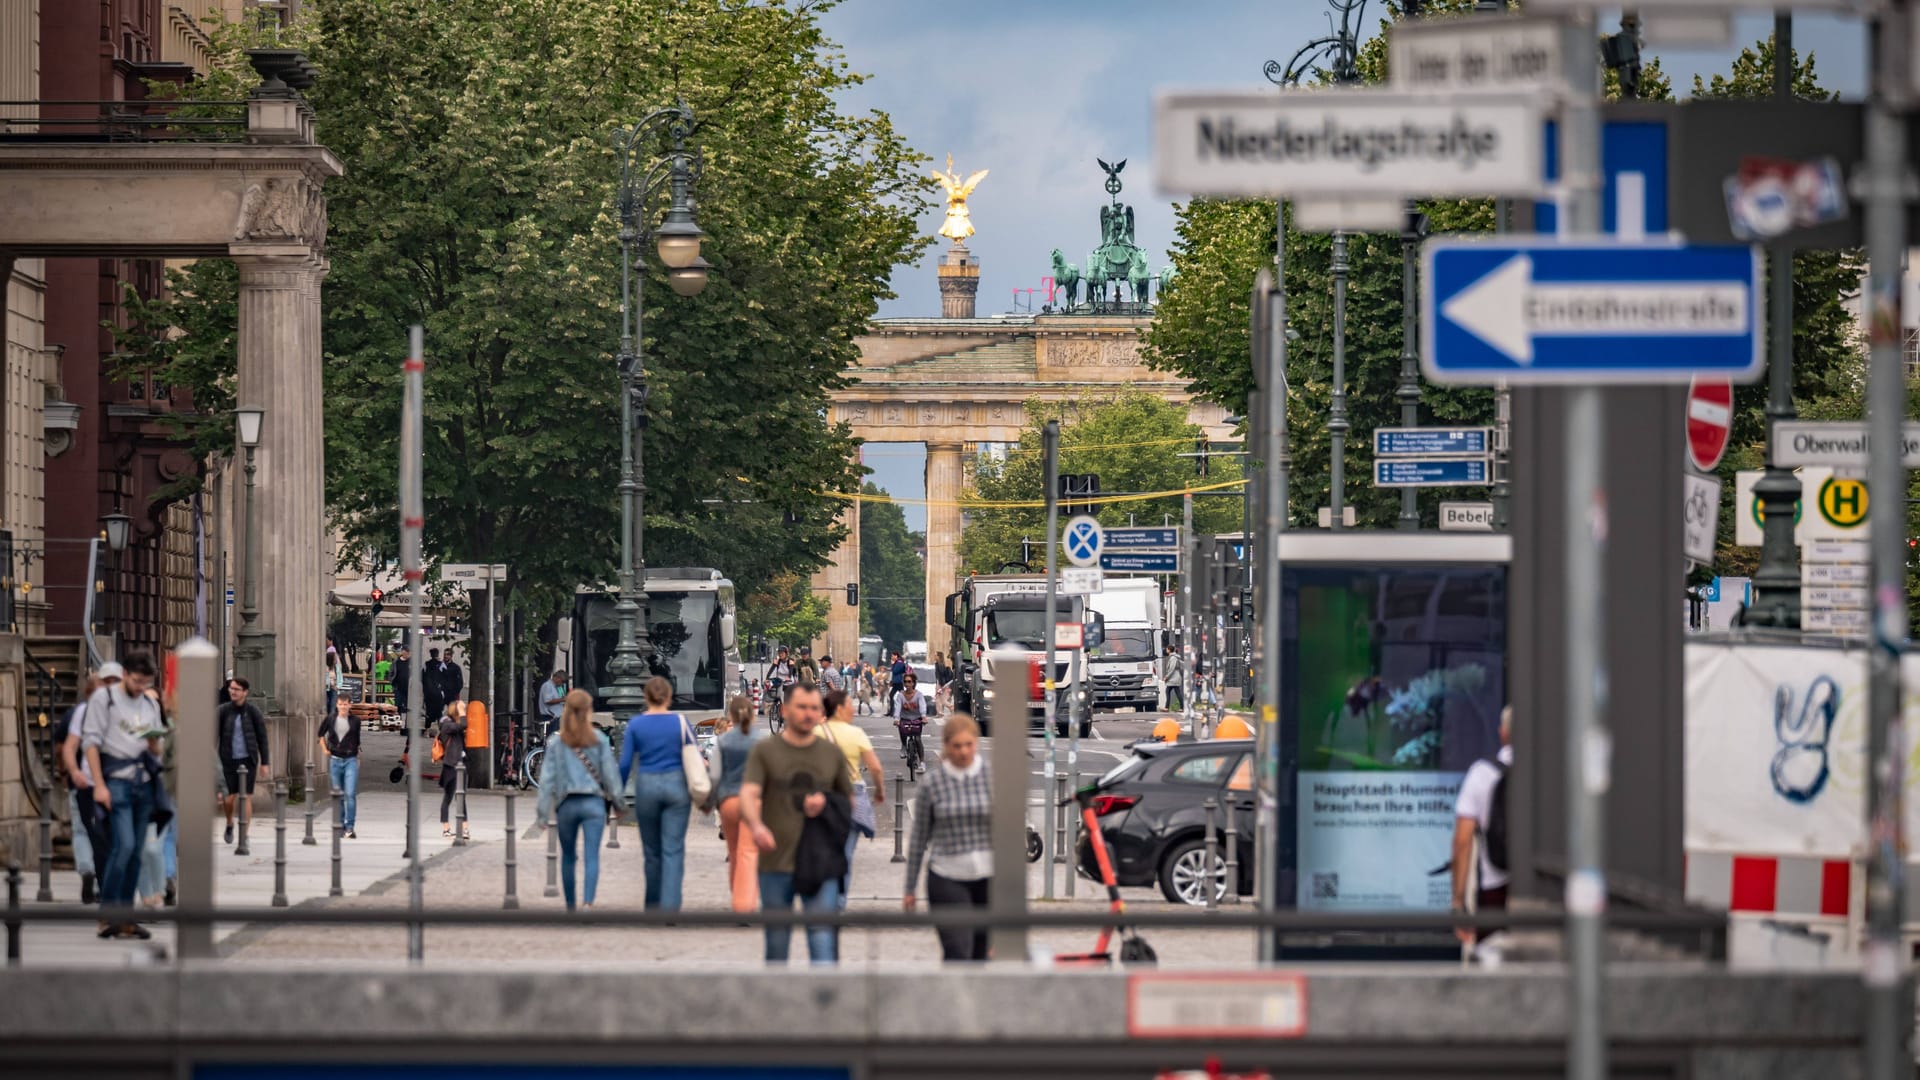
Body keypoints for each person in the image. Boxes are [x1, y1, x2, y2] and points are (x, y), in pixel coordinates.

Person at [741, 683, 854, 964]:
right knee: (777, 944)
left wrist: (826, 803)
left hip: (820, 860)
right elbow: (749, 793)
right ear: (785, 709)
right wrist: (756, 826)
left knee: (821, 939)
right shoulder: (765, 750)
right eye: (802, 707)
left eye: (814, 708)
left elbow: (848, 801)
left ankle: (823, 1004)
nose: (808, 713)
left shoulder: (831, 753)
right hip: (775, 860)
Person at [79, 651, 164, 940]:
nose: (140, 687)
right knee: (123, 846)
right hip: (116, 780)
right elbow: (90, 743)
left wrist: (155, 743)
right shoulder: (105, 699)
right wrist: (99, 784)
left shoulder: (149, 703)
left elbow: (157, 747)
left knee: (136, 852)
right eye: (137, 681)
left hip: (144, 782)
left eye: (146, 682)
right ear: (126, 673)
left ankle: (126, 917)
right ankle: (108, 914)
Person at [902, 711, 994, 962]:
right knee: (957, 950)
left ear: (976, 743)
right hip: (947, 875)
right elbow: (919, 838)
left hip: (988, 876)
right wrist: (909, 887)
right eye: (957, 746)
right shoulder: (933, 783)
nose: (963, 751)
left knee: (981, 953)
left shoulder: (991, 777)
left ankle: (975, 1001)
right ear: (946, 747)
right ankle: (954, 1000)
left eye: (969, 745)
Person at [535, 689, 623, 911]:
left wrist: (543, 813)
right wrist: (619, 804)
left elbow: (546, 781)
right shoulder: (600, 740)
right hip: (593, 804)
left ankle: (571, 905)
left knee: (568, 857)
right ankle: (588, 903)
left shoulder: (557, 743)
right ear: (588, 711)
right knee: (592, 855)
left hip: (567, 805)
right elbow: (610, 776)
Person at [618, 676, 698, 910]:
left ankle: (652, 905)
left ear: (646, 697)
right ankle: (671, 906)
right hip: (676, 787)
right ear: (669, 697)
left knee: (652, 851)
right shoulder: (681, 722)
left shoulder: (636, 724)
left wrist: (615, 796)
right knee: (673, 849)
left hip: (647, 787)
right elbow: (695, 755)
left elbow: (624, 764)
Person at [1451, 706, 1514, 947]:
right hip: (1542, 891)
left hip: (1493, 887)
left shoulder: (1481, 773)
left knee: (1492, 968)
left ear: (1503, 733)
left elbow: (1463, 840)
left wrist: (1458, 903)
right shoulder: (1547, 772)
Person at [819, 688, 884, 908]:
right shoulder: (855, 734)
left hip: (824, 795)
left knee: (824, 849)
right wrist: (879, 791)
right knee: (845, 853)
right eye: (849, 704)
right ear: (838, 709)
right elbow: (875, 767)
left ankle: (823, 899)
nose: (853, 709)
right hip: (851, 795)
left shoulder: (816, 732)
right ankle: (839, 902)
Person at [58, 672, 110, 903]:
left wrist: (66, 772)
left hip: (79, 781)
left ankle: (87, 870)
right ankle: (100, 879)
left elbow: (61, 746)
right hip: (92, 782)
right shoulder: (84, 713)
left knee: (82, 830)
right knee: (99, 833)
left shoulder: (74, 712)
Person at [713, 695, 764, 913]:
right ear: (752, 714)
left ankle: (737, 895)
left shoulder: (723, 741)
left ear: (731, 716)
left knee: (734, 852)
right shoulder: (762, 740)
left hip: (729, 801)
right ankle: (745, 903)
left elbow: (715, 775)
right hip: (754, 801)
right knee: (749, 852)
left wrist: (710, 801)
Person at [216, 676, 270, 845]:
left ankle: (244, 834)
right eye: (231, 688)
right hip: (227, 759)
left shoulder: (253, 712)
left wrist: (265, 762)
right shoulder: (223, 711)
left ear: (245, 692)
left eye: (236, 689)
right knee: (228, 798)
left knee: (245, 796)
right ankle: (230, 822)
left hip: (248, 760)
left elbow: (262, 738)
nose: (232, 692)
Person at [317, 690, 362, 838]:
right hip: (335, 759)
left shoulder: (355, 721)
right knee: (339, 795)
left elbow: (357, 740)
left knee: (350, 794)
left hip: (351, 759)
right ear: (336, 705)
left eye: (345, 704)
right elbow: (320, 734)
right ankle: (340, 826)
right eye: (340, 704)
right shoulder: (331, 719)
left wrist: (358, 758)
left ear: (350, 706)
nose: (343, 707)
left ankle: (350, 826)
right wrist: (325, 749)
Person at [437, 702, 468, 838]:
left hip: (460, 764)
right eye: (462, 710)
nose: (464, 712)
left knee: (461, 797)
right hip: (451, 765)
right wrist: (462, 712)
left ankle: (464, 828)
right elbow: (463, 724)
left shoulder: (453, 726)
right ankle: (446, 828)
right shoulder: (447, 725)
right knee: (449, 797)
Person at [892, 672, 931, 756]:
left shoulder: (919, 695)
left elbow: (922, 706)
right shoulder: (900, 695)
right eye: (905, 682)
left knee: (917, 739)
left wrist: (923, 717)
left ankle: (922, 761)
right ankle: (903, 746)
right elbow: (898, 707)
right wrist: (896, 719)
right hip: (904, 718)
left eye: (909, 681)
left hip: (917, 718)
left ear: (913, 683)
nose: (907, 684)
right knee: (902, 730)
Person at [422, 648, 447, 732]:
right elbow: (445, 678)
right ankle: (441, 730)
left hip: (428, 692)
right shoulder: (441, 664)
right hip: (438, 692)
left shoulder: (426, 664)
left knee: (428, 711)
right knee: (439, 711)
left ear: (430, 654)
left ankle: (427, 729)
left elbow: (422, 678)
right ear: (437, 654)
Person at [538, 670, 568, 737]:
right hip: (550, 717)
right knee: (552, 737)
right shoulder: (547, 686)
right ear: (557, 678)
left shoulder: (556, 687)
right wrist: (563, 699)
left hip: (556, 717)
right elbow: (548, 700)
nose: (562, 684)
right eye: (562, 681)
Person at [391, 646, 411, 717]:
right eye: (406, 653)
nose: (408, 655)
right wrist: (391, 681)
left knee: (407, 706)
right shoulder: (396, 662)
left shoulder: (411, 662)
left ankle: (406, 724)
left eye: (408, 653)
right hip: (398, 687)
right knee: (398, 705)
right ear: (403, 652)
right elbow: (391, 672)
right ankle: (398, 720)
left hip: (409, 688)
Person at [324, 651, 340, 721]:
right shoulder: (325, 668)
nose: (336, 660)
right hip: (326, 689)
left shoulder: (337, 668)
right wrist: (329, 685)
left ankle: (332, 722)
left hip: (334, 689)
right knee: (327, 705)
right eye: (335, 658)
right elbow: (325, 679)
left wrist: (337, 686)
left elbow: (340, 679)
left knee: (333, 706)